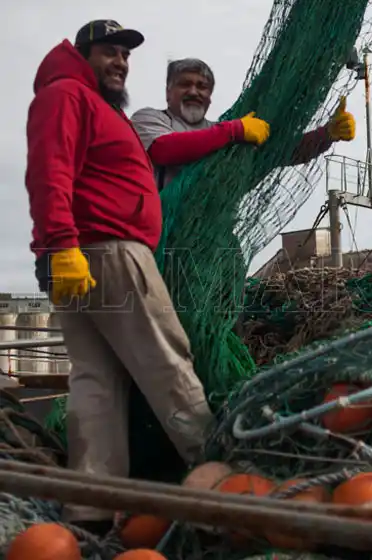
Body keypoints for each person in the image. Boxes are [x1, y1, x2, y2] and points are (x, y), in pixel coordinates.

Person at [24, 20, 215, 534]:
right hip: (107, 252)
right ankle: (223, 482)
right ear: (82, 55)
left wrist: (63, 249)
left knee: (96, 383)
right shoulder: (68, 95)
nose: (120, 63)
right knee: (166, 362)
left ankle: (90, 511)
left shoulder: (91, 103)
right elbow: (49, 171)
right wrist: (62, 244)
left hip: (80, 259)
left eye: (125, 56)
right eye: (109, 52)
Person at [130, 57, 356, 192]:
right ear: (168, 92)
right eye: (184, 84)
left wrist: (327, 134)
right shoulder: (149, 119)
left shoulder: (221, 133)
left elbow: (279, 153)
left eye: (202, 86)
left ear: (210, 96)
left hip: (213, 237)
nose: (194, 91)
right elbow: (163, 149)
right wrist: (233, 130)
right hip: (161, 234)